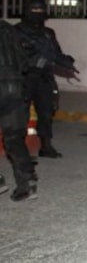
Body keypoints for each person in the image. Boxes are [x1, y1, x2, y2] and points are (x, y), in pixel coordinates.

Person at [15, 0, 76, 158]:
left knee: (46, 113)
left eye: (40, 10)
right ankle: (19, 148)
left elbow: (56, 53)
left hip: (44, 79)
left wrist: (66, 61)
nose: (37, 13)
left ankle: (46, 146)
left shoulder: (48, 34)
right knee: (21, 114)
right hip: (24, 79)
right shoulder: (16, 32)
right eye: (33, 9)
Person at [0, 19, 38, 201]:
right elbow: (26, 58)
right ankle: (27, 183)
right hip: (15, 87)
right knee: (14, 138)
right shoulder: (10, 29)